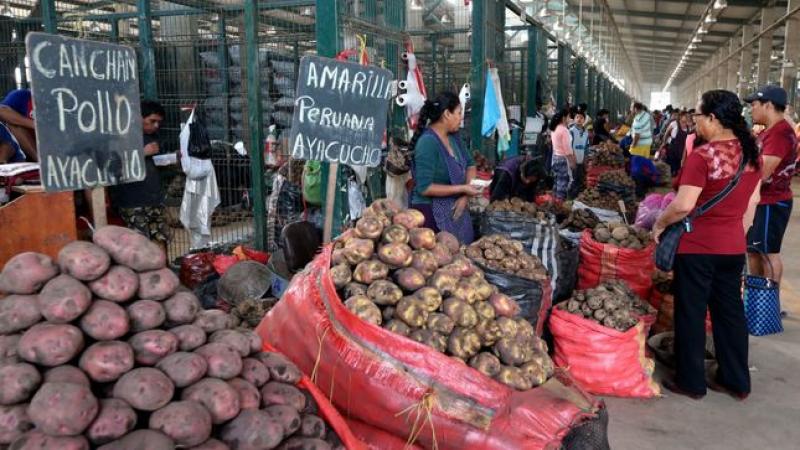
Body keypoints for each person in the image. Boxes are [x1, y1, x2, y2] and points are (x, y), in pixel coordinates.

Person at [653, 90, 762, 401]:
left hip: (698, 247)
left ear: (713, 118)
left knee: (691, 313)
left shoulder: (703, 156)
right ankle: (736, 381)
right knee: (730, 314)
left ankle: (692, 381)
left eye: (699, 116)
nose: (696, 122)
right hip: (731, 247)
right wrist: (737, 233)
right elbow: (752, 202)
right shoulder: (751, 151)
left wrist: (660, 223)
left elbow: (684, 205)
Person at [744, 85, 797, 288]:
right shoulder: (771, 131)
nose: (751, 109)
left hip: (771, 203)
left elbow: (762, 173)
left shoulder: (779, 134)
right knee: (755, 251)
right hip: (765, 201)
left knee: (767, 253)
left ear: (767, 105)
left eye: (754, 105)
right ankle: (758, 298)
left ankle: (769, 302)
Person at [410, 91, 480, 244]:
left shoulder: (454, 137)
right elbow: (425, 187)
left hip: (456, 207)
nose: (461, 118)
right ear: (447, 114)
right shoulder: (427, 143)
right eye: (459, 113)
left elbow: (470, 164)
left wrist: (464, 197)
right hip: (429, 213)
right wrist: (463, 189)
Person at [109, 100, 170, 247]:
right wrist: (142, 153)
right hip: (132, 201)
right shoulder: (121, 136)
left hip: (154, 199)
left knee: (161, 240)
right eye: (152, 121)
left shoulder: (153, 136)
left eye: (158, 122)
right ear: (139, 117)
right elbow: (112, 165)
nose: (156, 125)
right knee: (139, 245)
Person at [0, 89, 36, 161]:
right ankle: (40, 161)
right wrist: (35, 125)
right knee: (14, 125)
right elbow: (1, 111)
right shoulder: (23, 95)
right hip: (29, 146)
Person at [549, 109, 574, 202]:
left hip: (555, 158)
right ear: (564, 118)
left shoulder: (554, 128)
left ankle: (554, 204)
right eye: (568, 117)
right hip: (563, 159)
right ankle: (560, 205)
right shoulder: (564, 130)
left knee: (556, 183)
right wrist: (572, 162)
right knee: (562, 184)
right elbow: (567, 150)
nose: (570, 119)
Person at [569, 109, 590, 196]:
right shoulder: (571, 131)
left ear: (584, 120)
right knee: (572, 180)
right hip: (572, 161)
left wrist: (585, 161)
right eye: (577, 117)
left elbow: (586, 147)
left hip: (581, 161)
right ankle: (571, 197)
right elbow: (569, 147)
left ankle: (577, 198)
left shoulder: (586, 132)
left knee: (580, 180)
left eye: (581, 118)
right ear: (574, 119)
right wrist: (572, 160)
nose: (579, 119)